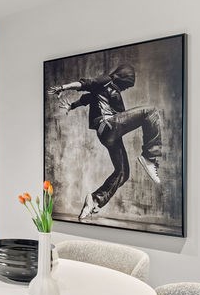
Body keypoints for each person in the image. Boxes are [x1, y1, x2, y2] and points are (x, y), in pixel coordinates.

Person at [48, 64, 162, 220]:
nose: (126, 89)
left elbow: (86, 99)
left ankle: (95, 199)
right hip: (108, 125)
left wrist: (72, 106)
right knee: (151, 112)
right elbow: (84, 84)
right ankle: (150, 157)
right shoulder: (106, 81)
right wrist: (63, 87)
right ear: (122, 77)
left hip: (110, 135)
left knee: (123, 173)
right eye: (127, 85)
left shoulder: (106, 91)